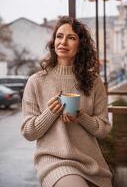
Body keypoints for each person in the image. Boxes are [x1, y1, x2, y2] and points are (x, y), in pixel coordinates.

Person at [21, 16, 113, 187]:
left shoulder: (94, 82)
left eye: (71, 38)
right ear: (53, 41)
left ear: (81, 46)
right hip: (54, 162)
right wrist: (51, 112)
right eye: (59, 36)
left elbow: (103, 129)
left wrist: (80, 117)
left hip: (91, 161)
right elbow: (28, 132)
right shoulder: (36, 81)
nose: (63, 42)